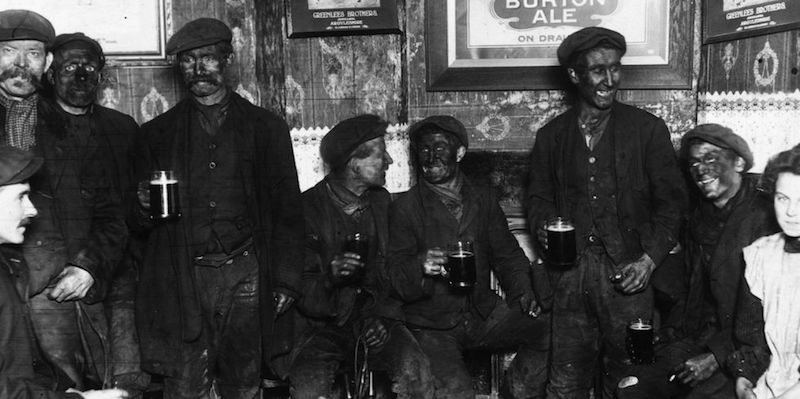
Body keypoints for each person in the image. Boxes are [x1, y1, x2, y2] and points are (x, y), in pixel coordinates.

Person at [132, 17, 304, 398]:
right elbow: (140, 227)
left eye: (208, 58)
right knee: (184, 382)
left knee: (243, 380)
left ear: (227, 59)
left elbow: (289, 211)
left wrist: (288, 279)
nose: (199, 69)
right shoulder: (156, 134)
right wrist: (142, 205)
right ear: (180, 68)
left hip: (247, 271)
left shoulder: (265, 128)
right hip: (185, 276)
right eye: (189, 61)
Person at [526, 26, 687, 398]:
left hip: (632, 277)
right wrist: (545, 227)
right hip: (569, 279)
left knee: (634, 381)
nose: (609, 79)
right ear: (574, 75)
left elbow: (674, 204)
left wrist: (648, 261)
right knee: (565, 384)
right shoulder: (551, 136)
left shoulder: (647, 129)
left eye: (615, 68)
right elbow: (537, 201)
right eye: (598, 70)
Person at [0, 10, 128, 389]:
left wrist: (87, 266)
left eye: (34, 53)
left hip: (54, 295)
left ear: (49, 61)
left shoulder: (73, 127)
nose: (21, 64)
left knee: (67, 390)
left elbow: (110, 215)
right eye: (8, 51)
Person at [386, 115, 550, 399]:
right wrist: (419, 266)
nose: (430, 156)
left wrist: (525, 292)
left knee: (551, 329)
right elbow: (395, 276)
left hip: (482, 312)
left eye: (439, 147)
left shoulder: (482, 198)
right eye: (423, 149)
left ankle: (517, 392)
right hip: (432, 325)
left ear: (460, 152)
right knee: (458, 393)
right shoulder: (405, 208)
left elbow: (508, 255)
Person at [616, 124, 777, 398]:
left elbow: (772, 318)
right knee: (631, 386)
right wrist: (667, 334)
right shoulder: (699, 217)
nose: (701, 169)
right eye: (694, 162)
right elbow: (693, 292)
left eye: (711, 158)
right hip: (700, 337)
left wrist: (716, 357)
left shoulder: (766, 218)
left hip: (749, 353)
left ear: (739, 163)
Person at [287, 114, 434, 399]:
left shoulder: (381, 202)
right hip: (319, 328)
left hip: (374, 319)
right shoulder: (304, 211)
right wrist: (329, 278)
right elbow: (301, 290)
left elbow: (390, 271)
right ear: (355, 164)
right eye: (382, 155)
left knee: (415, 370)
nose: (390, 161)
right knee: (308, 387)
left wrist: (382, 315)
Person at [44, 32, 149, 394]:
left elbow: (132, 213)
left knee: (125, 379)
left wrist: (144, 207)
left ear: (102, 75)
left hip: (118, 272)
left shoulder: (123, 129)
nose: (81, 75)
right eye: (70, 67)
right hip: (56, 277)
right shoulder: (33, 125)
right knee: (67, 383)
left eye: (90, 67)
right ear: (51, 73)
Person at [0, 145, 129, 399]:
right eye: (20, 197)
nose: (32, 210)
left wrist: (59, 389)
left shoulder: (7, 266)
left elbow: (18, 364)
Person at [726, 144, 800, 399]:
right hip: (773, 383)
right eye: (783, 198)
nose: (791, 212)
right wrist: (745, 377)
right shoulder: (762, 255)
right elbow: (751, 337)